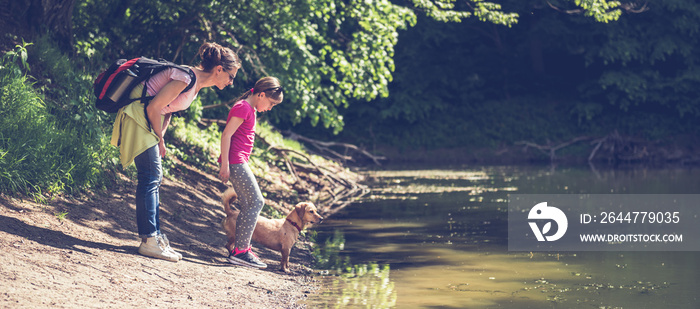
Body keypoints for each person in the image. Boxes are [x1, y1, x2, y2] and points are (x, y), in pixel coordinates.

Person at [111, 42, 241, 262]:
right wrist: (159, 139)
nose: (231, 82)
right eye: (231, 76)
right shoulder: (186, 77)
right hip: (137, 115)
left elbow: (168, 109)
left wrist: (160, 135)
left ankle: (153, 237)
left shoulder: (196, 85)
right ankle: (149, 240)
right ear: (219, 69)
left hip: (147, 120)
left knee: (153, 177)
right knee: (151, 177)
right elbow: (153, 107)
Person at [218, 77, 284, 269]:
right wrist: (225, 164)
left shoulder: (250, 109)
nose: (270, 108)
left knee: (248, 204)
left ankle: (240, 250)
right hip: (235, 162)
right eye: (271, 103)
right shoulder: (243, 108)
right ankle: (241, 251)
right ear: (261, 94)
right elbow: (226, 135)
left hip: (240, 161)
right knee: (257, 202)